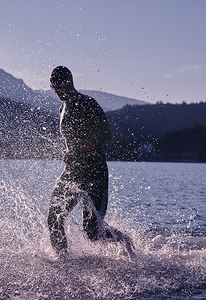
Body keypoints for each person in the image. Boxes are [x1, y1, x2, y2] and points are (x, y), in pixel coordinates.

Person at [47, 66, 134, 258]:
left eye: (61, 86)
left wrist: (77, 150)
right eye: (54, 88)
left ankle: (124, 240)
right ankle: (62, 260)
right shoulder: (62, 109)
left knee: (93, 232)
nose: (58, 91)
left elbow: (105, 134)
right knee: (54, 217)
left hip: (95, 170)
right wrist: (69, 153)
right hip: (74, 172)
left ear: (70, 82)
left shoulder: (87, 103)